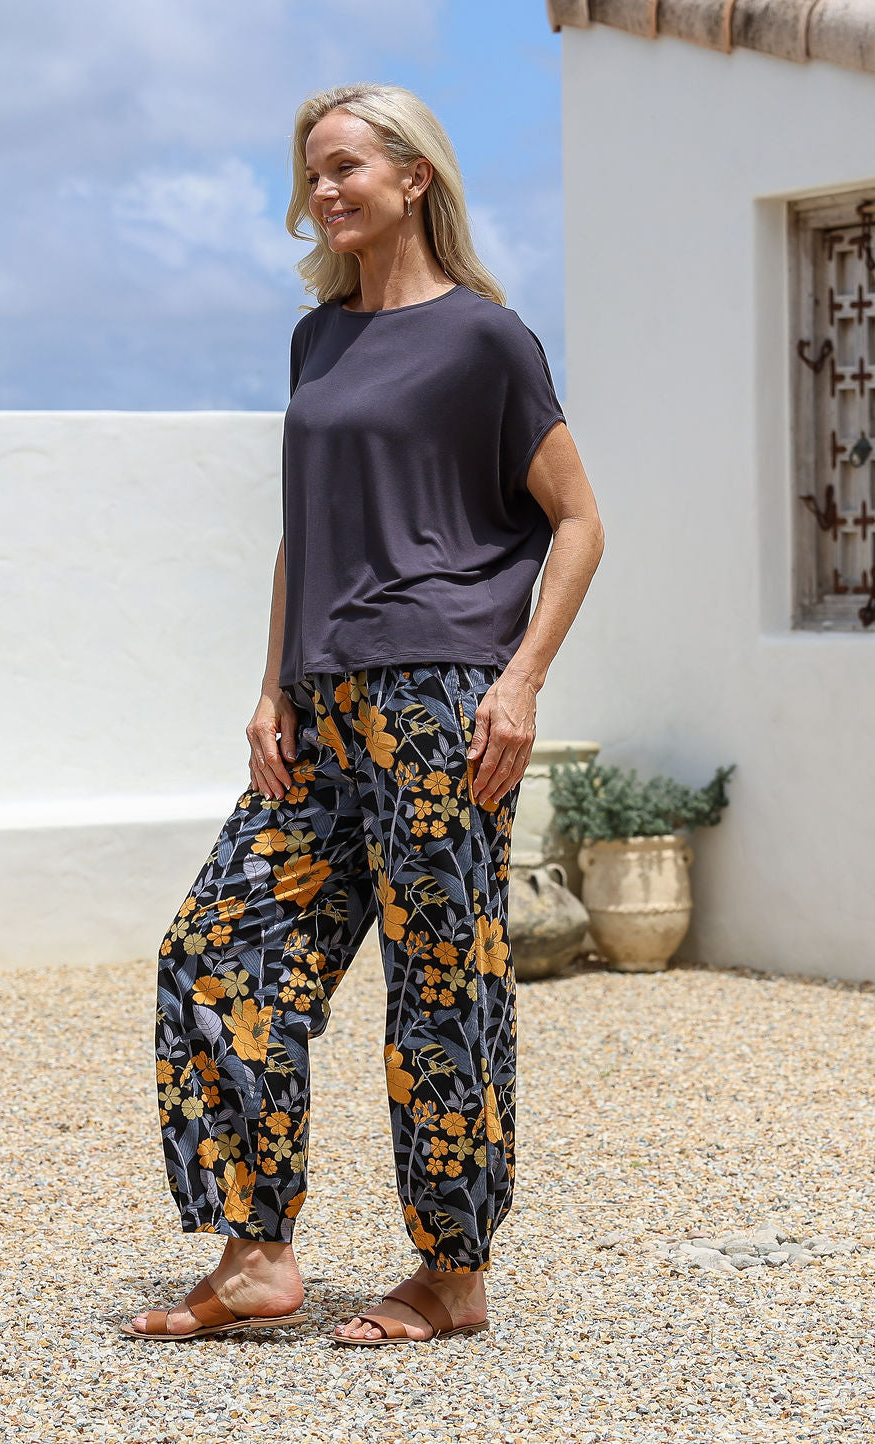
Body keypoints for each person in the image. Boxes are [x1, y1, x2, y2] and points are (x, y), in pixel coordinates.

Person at [122, 80, 604, 1348]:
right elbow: (306, 532)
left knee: (441, 983)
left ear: (414, 177)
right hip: (322, 702)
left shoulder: (485, 337)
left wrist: (521, 681)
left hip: (443, 698)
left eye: (345, 167)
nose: (324, 190)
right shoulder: (316, 338)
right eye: (311, 172)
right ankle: (256, 1251)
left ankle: (451, 1269)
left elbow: (578, 521)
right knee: (216, 955)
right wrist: (271, 683)